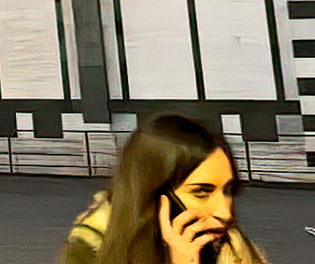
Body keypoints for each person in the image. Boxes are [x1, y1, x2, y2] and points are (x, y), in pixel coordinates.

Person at [59, 113, 268, 264]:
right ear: (155, 196)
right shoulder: (88, 250)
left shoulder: (233, 250)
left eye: (228, 190)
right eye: (201, 192)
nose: (224, 212)